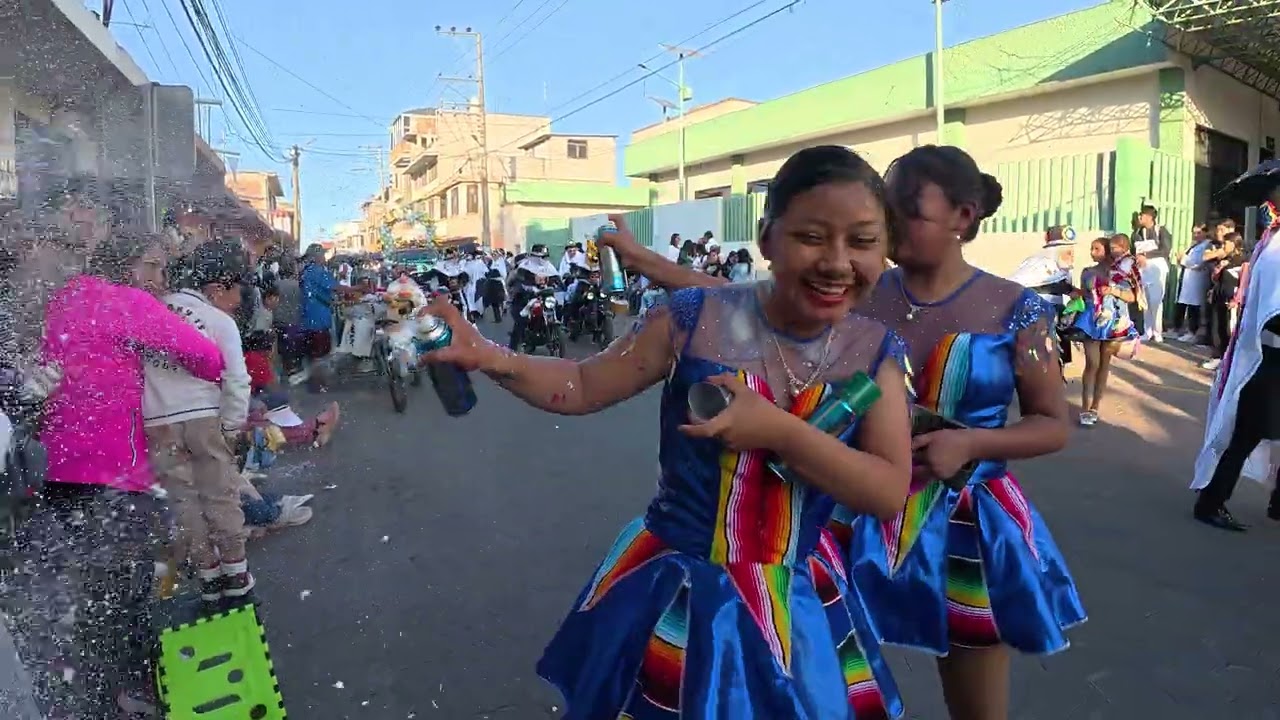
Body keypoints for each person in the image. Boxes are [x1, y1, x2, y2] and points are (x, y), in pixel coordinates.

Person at [419, 145, 912, 719]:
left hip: (798, 601)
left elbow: (885, 490)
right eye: (811, 237)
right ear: (767, 238)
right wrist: (489, 356)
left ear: (886, 250)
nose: (836, 262)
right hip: (681, 590)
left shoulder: (875, 353)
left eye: (862, 241)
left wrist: (779, 430)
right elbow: (581, 383)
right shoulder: (692, 320)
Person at [13, 231, 225, 718]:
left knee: (84, 592)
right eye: (151, 266)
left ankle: (87, 692)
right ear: (127, 266)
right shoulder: (124, 302)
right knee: (127, 594)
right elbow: (206, 357)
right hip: (115, 475)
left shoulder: (60, 300)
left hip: (55, 471)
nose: (159, 278)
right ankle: (130, 693)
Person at [143, 240, 256, 603]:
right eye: (236, 291)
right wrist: (231, 427)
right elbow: (237, 380)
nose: (239, 301)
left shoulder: (151, 314)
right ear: (216, 288)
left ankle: (208, 577)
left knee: (184, 501)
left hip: (157, 422)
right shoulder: (218, 321)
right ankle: (235, 575)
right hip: (204, 418)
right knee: (220, 496)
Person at [1191, 197, 1280, 531]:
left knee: (1253, 433)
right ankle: (1211, 502)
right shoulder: (1276, 252)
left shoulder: (1271, 247)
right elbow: (1272, 316)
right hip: (1268, 358)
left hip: (1266, 357)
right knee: (1247, 434)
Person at [1073, 236, 1139, 427]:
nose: (1092, 253)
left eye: (1097, 249)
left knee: (1104, 365)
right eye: (1091, 249)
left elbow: (1131, 297)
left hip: (1112, 322)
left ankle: (1095, 407)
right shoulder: (1087, 272)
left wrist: (1112, 291)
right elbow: (1085, 294)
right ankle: (1084, 407)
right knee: (1092, 363)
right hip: (1091, 321)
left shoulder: (1120, 273)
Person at [1201, 230, 1245, 371]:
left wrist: (1236, 299)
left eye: (1226, 243)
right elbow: (1216, 278)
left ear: (1234, 244)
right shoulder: (1226, 259)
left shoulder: (1243, 261)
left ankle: (1229, 358)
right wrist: (1219, 269)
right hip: (1218, 297)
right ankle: (1217, 357)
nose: (1223, 246)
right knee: (1216, 327)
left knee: (1228, 329)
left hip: (1231, 300)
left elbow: (1244, 282)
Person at [1132, 204, 1172, 342]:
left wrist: (1146, 255)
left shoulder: (1161, 231)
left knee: (1156, 301)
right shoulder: (1137, 233)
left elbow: (1165, 250)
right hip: (1143, 269)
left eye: (1141, 215)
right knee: (1145, 301)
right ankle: (1147, 331)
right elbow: (1135, 251)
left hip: (1157, 268)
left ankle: (1157, 332)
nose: (1139, 218)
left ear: (1149, 217)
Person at [1171, 224, 1212, 343]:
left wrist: (1182, 258)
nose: (1196, 235)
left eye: (1199, 233)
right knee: (1186, 304)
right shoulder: (1195, 246)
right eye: (1194, 233)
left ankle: (1193, 332)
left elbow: (1197, 263)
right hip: (1188, 279)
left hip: (1197, 280)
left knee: (1195, 307)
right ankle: (1184, 330)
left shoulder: (1207, 246)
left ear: (1205, 233)